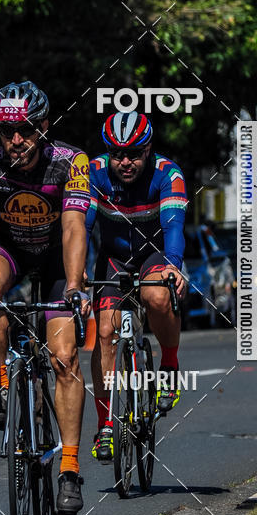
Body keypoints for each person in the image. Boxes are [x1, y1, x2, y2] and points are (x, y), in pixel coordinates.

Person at [0, 81, 91, 515]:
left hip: (56, 258)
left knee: (64, 358)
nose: (16, 140)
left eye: (27, 130)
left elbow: (72, 226)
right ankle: (0, 383)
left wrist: (73, 285)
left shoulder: (71, 161)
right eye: (7, 130)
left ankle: (69, 468)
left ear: (44, 127)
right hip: (9, 249)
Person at [86, 112, 187, 463]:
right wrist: (78, 278)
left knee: (157, 295)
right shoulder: (93, 172)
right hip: (113, 259)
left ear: (149, 150)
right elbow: (81, 230)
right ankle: (105, 426)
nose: (125, 162)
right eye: (117, 154)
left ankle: (170, 367)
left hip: (154, 255)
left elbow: (174, 225)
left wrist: (173, 266)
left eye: (134, 154)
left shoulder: (168, 174)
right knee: (105, 332)